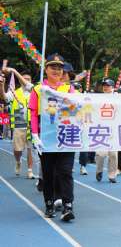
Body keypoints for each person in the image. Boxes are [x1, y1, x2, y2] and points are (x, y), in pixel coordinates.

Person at [29, 53, 76, 221]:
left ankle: (67, 206)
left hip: (65, 137)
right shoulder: (38, 89)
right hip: (46, 139)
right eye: (53, 67)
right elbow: (34, 114)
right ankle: (49, 203)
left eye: (59, 67)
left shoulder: (69, 89)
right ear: (46, 69)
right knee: (48, 173)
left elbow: (76, 111)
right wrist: (34, 134)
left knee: (65, 172)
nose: (56, 70)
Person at [0, 67, 35, 179]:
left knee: (30, 149)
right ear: (19, 80)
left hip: (31, 125)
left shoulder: (33, 92)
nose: (26, 80)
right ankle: (18, 161)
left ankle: (30, 170)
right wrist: (2, 85)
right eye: (24, 78)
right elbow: (5, 98)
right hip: (19, 125)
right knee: (17, 150)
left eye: (28, 79)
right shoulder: (14, 92)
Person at [95, 78, 118, 183]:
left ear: (112, 87)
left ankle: (112, 175)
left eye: (108, 85)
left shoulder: (118, 98)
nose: (105, 87)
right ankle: (99, 170)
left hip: (114, 129)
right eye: (104, 85)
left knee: (113, 154)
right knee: (101, 154)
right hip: (101, 129)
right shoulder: (98, 98)